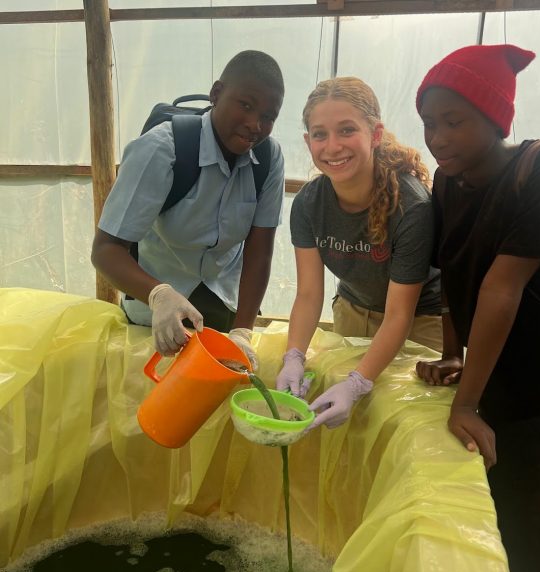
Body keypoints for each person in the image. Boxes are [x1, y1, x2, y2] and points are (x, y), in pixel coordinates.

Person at [414, 44, 540, 572]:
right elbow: (452, 269)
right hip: (500, 369)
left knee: (528, 507)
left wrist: (466, 402)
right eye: (428, 122)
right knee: (490, 496)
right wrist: (453, 353)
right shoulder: (447, 181)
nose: (437, 137)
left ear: (496, 119)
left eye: (454, 120)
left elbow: (501, 285)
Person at [91, 50, 285, 368]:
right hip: (154, 310)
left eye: (268, 116)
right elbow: (106, 250)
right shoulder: (161, 150)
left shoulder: (268, 159)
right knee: (152, 392)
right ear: (217, 93)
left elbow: (259, 252)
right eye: (246, 106)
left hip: (224, 306)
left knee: (216, 399)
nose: (255, 124)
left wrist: (241, 332)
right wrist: (159, 295)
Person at [276, 76, 441, 429]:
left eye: (347, 130)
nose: (332, 146)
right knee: (351, 429)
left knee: (406, 424)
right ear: (308, 142)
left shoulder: (411, 208)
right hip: (353, 311)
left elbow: (399, 315)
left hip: (421, 324)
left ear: (375, 134)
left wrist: (356, 383)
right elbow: (307, 294)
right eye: (320, 134)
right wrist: (294, 356)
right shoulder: (308, 204)